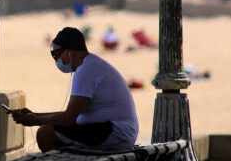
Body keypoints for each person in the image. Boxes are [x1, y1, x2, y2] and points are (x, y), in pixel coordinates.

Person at [9, 27, 138, 152]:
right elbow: (71, 113)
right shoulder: (90, 64)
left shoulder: (86, 70)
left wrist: (34, 120)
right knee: (50, 129)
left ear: (69, 52)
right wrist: (35, 115)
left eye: (56, 54)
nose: (56, 60)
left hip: (115, 133)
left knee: (45, 133)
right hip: (117, 132)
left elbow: (68, 119)